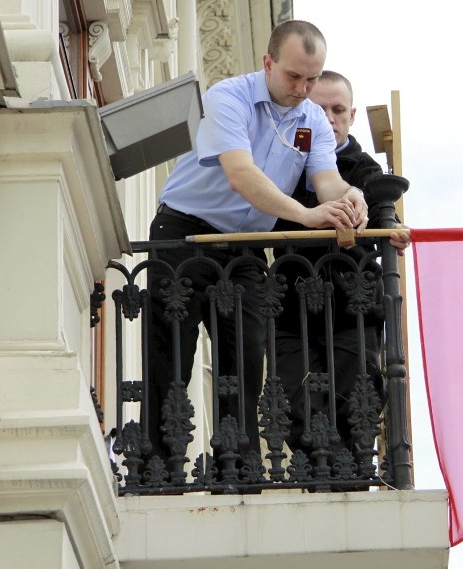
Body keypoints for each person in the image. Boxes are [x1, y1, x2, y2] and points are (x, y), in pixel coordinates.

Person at [145, 21, 368, 469]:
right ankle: (159, 465)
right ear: (268, 63)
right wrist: (304, 216)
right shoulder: (228, 97)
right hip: (185, 235)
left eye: (312, 78)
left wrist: (351, 197)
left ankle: (238, 466)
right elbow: (240, 174)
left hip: (245, 248)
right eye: (293, 77)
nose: (303, 89)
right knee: (171, 356)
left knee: (247, 360)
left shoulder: (312, 122)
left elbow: (326, 180)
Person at [271, 71, 409, 460]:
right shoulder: (284, 160)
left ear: (350, 116)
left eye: (338, 110)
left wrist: (391, 227)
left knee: (357, 388)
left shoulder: (364, 167)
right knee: (294, 390)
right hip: (290, 302)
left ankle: (351, 467)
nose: (329, 118)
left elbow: (383, 208)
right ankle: (315, 468)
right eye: (319, 109)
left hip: (354, 304)